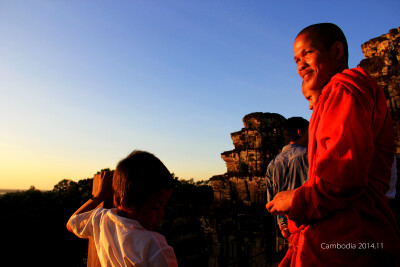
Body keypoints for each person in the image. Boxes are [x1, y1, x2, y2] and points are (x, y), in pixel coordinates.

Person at [266, 23, 400, 266]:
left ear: (337, 51)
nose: (300, 64)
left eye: (307, 53)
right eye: (296, 60)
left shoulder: (342, 88)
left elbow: (341, 180)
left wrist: (295, 200)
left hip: (349, 238)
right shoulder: (342, 93)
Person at [66, 150, 178, 267]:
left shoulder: (101, 219)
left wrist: (100, 196)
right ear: (128, 204)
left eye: (164, 205)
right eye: (156, 206)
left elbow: (71, 223)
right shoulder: (155, 248)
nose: (162, 213)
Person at [265, 117, 309, 264]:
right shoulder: (310, 156)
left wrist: (283, 225)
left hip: (288, 230)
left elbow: (272, 203)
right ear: (300, 132)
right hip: (311, 225)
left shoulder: (272, 164)